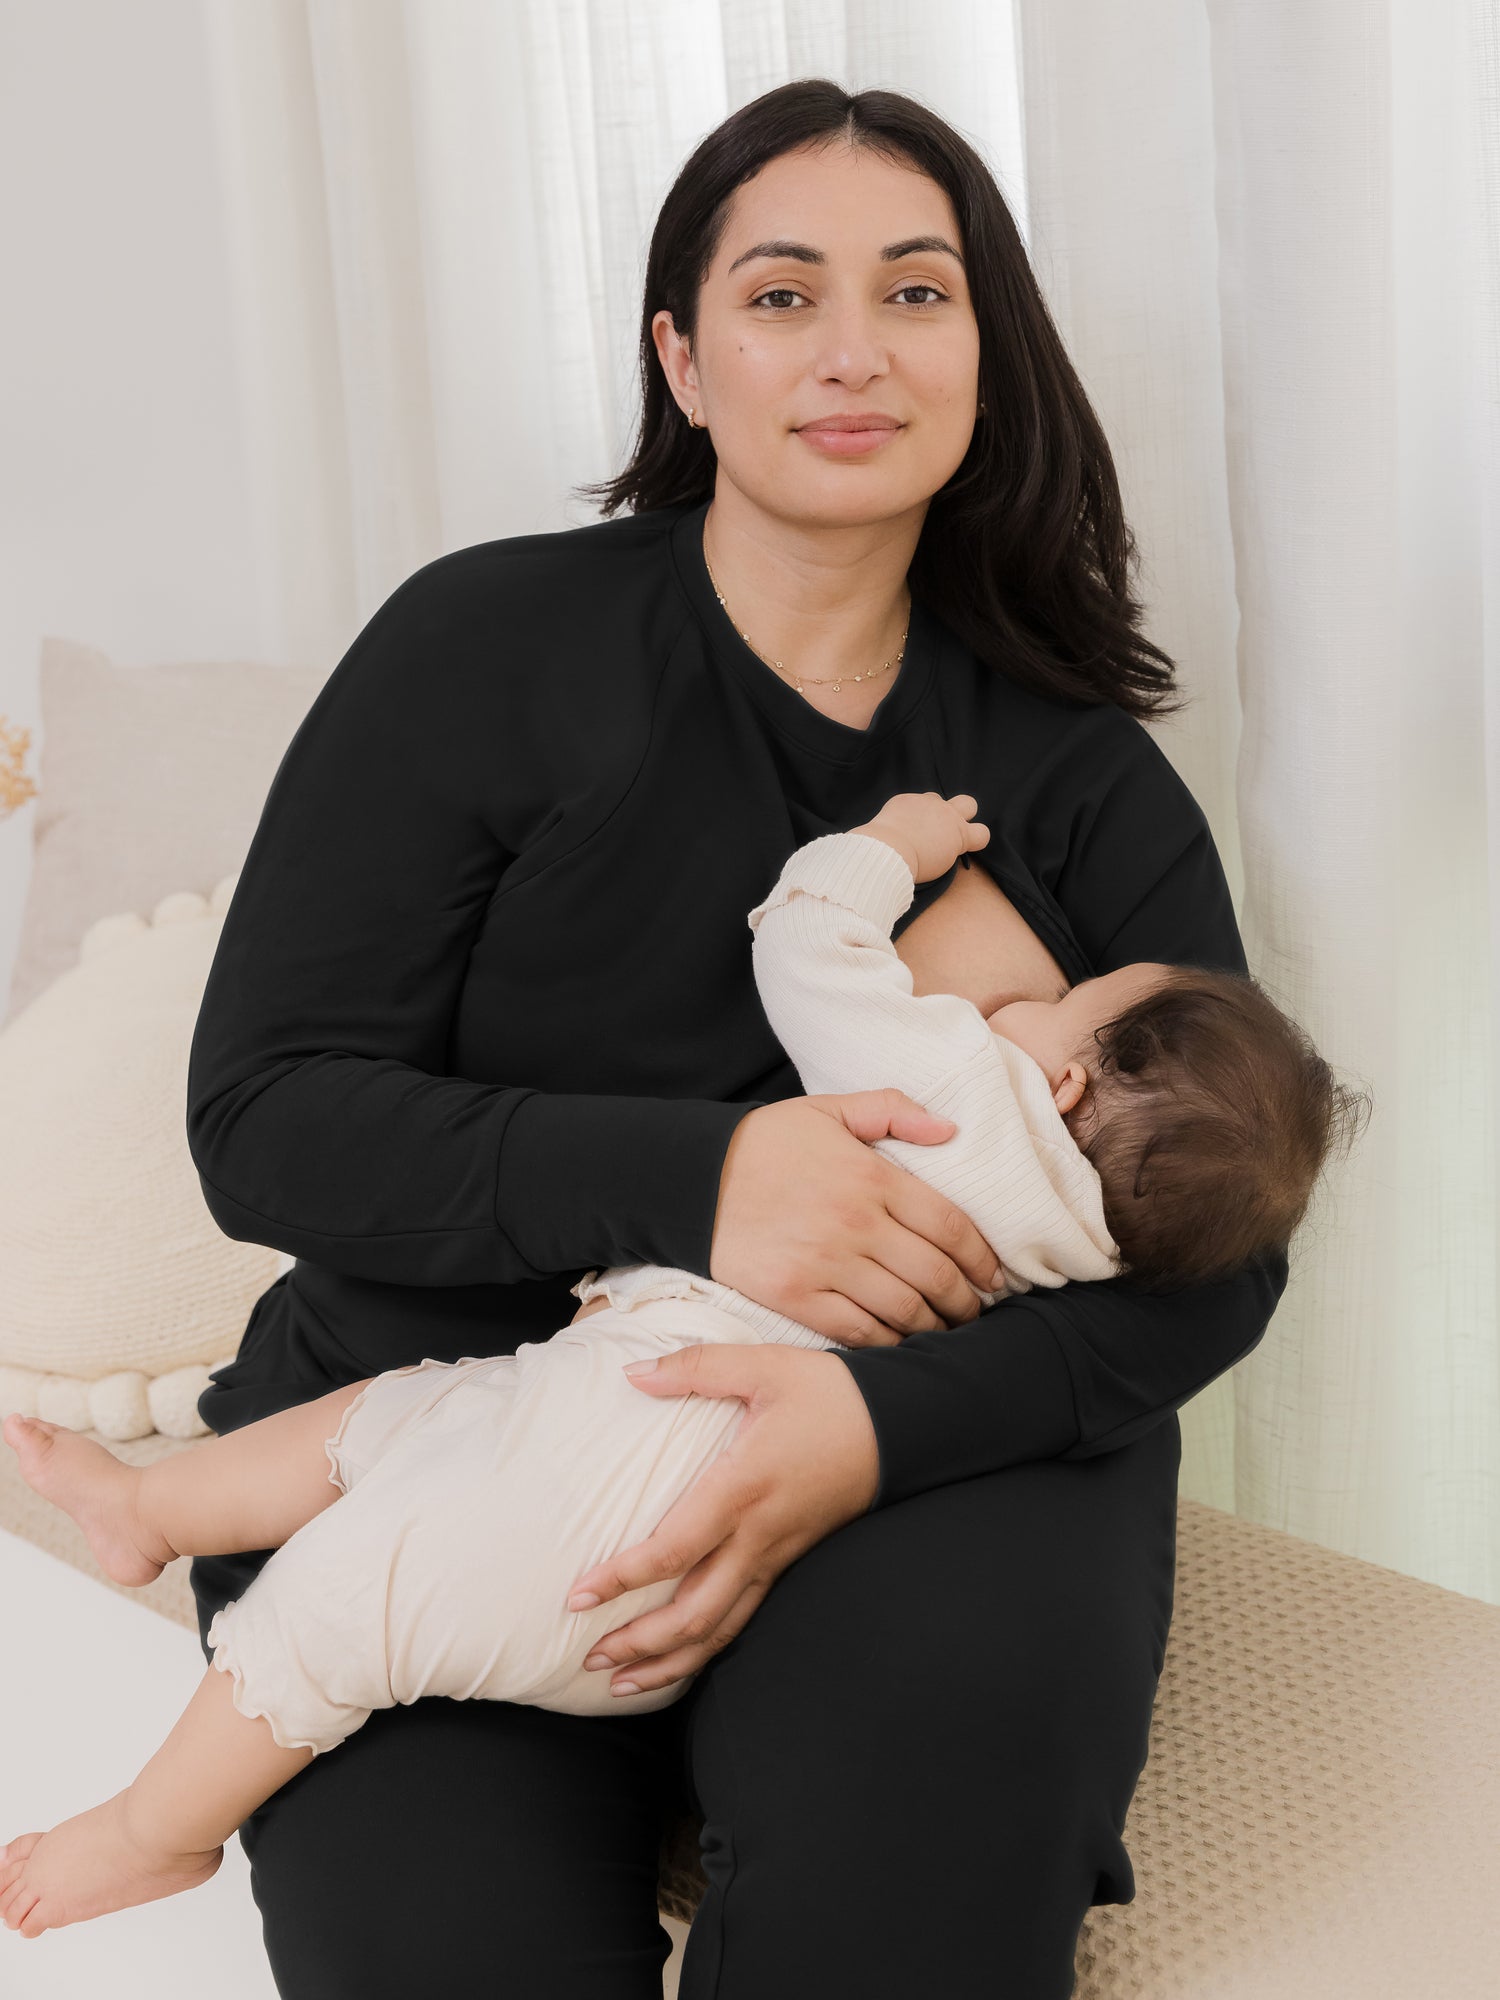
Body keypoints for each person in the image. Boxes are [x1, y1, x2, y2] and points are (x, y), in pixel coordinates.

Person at [9, 83, 1296, 1998]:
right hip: (445, 1417)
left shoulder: (1079, 775)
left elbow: (1219, 1258)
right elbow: (269, 1123)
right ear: (681, 358)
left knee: (926, 1877)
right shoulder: (480, 649)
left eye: (918, 293)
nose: (854, 350)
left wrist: (866, 1430)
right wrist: (708, 1181)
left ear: (986, 355)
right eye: (782, 296)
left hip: (937, 1460)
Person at [0, 786, 1361, 1938]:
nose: (1032, 1007)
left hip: (597, 1499)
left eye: (1062, 1004)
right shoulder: (1095, 1251)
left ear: (1061, 1082)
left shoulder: (966, 1091)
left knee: (323, 1618)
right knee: (390, 1422)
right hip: (627, 1501)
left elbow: (808, 949)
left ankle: (152, 1830)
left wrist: (889, 847)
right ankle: (146, 1509)